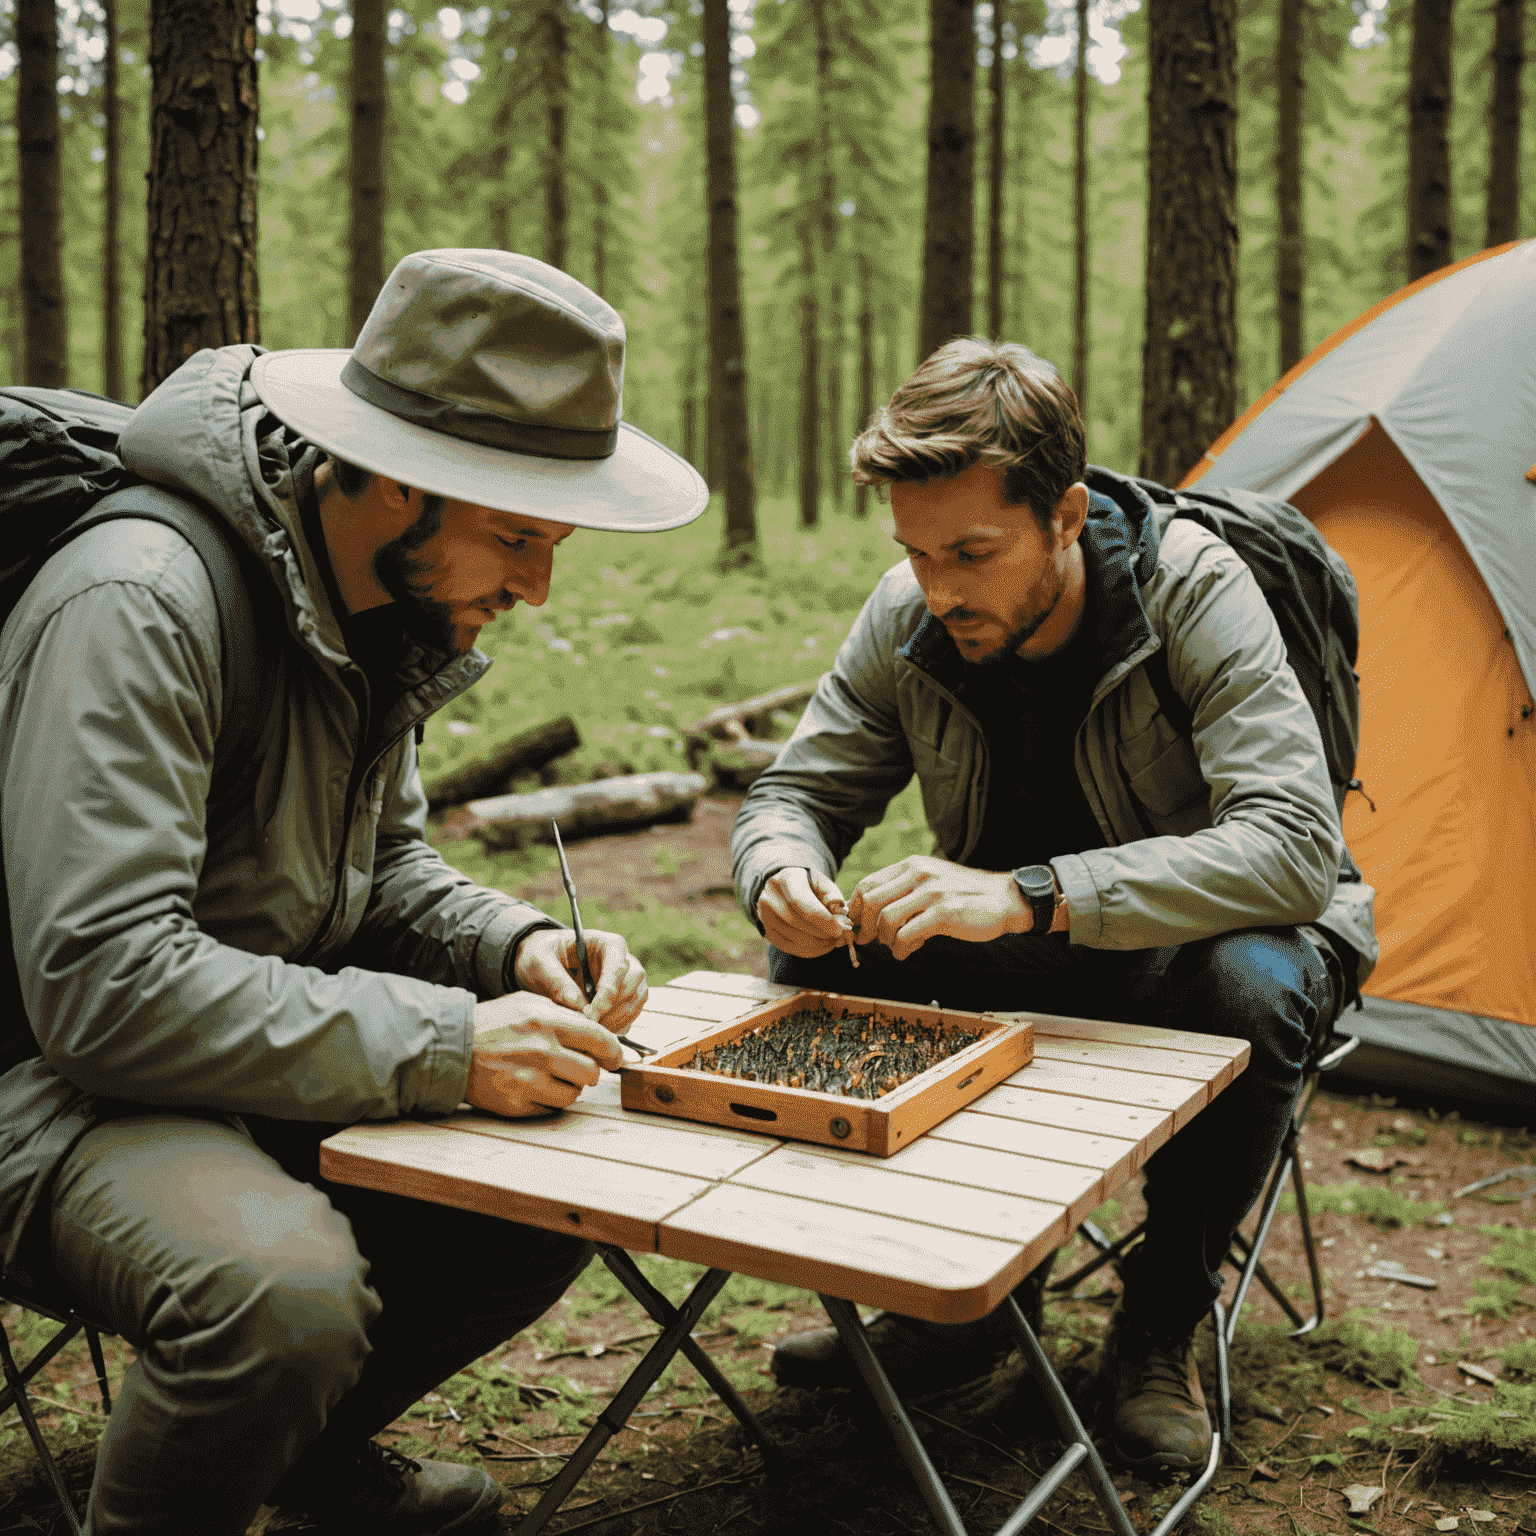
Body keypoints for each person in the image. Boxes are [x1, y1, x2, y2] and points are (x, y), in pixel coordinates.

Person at [0, 250, 706, 1536]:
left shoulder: (378, 603)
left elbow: (381, 871)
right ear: (389, 475)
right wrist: (447, 1046)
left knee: (549, 1191)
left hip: (207, 1053)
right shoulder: (142, 599)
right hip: (45, 1082)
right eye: (516, 534)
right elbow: (101, 988)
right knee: (277, 1294)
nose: (537, 585)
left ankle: (292, 1459)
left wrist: (517, 947)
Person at [730, 338, 1377, 1477]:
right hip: (1028, 943)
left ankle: (1155, 1332)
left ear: (1067, 513)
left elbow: (1293, 853)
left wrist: (1029, 895)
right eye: (917, 553)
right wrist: (778, 871)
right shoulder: (908, 611)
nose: (939, 588)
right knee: (826, 968)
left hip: (1204, 945)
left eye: (973, 552)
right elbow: (796, 792)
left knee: (1254, 985)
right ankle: (961, 1307)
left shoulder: (1194, 588)